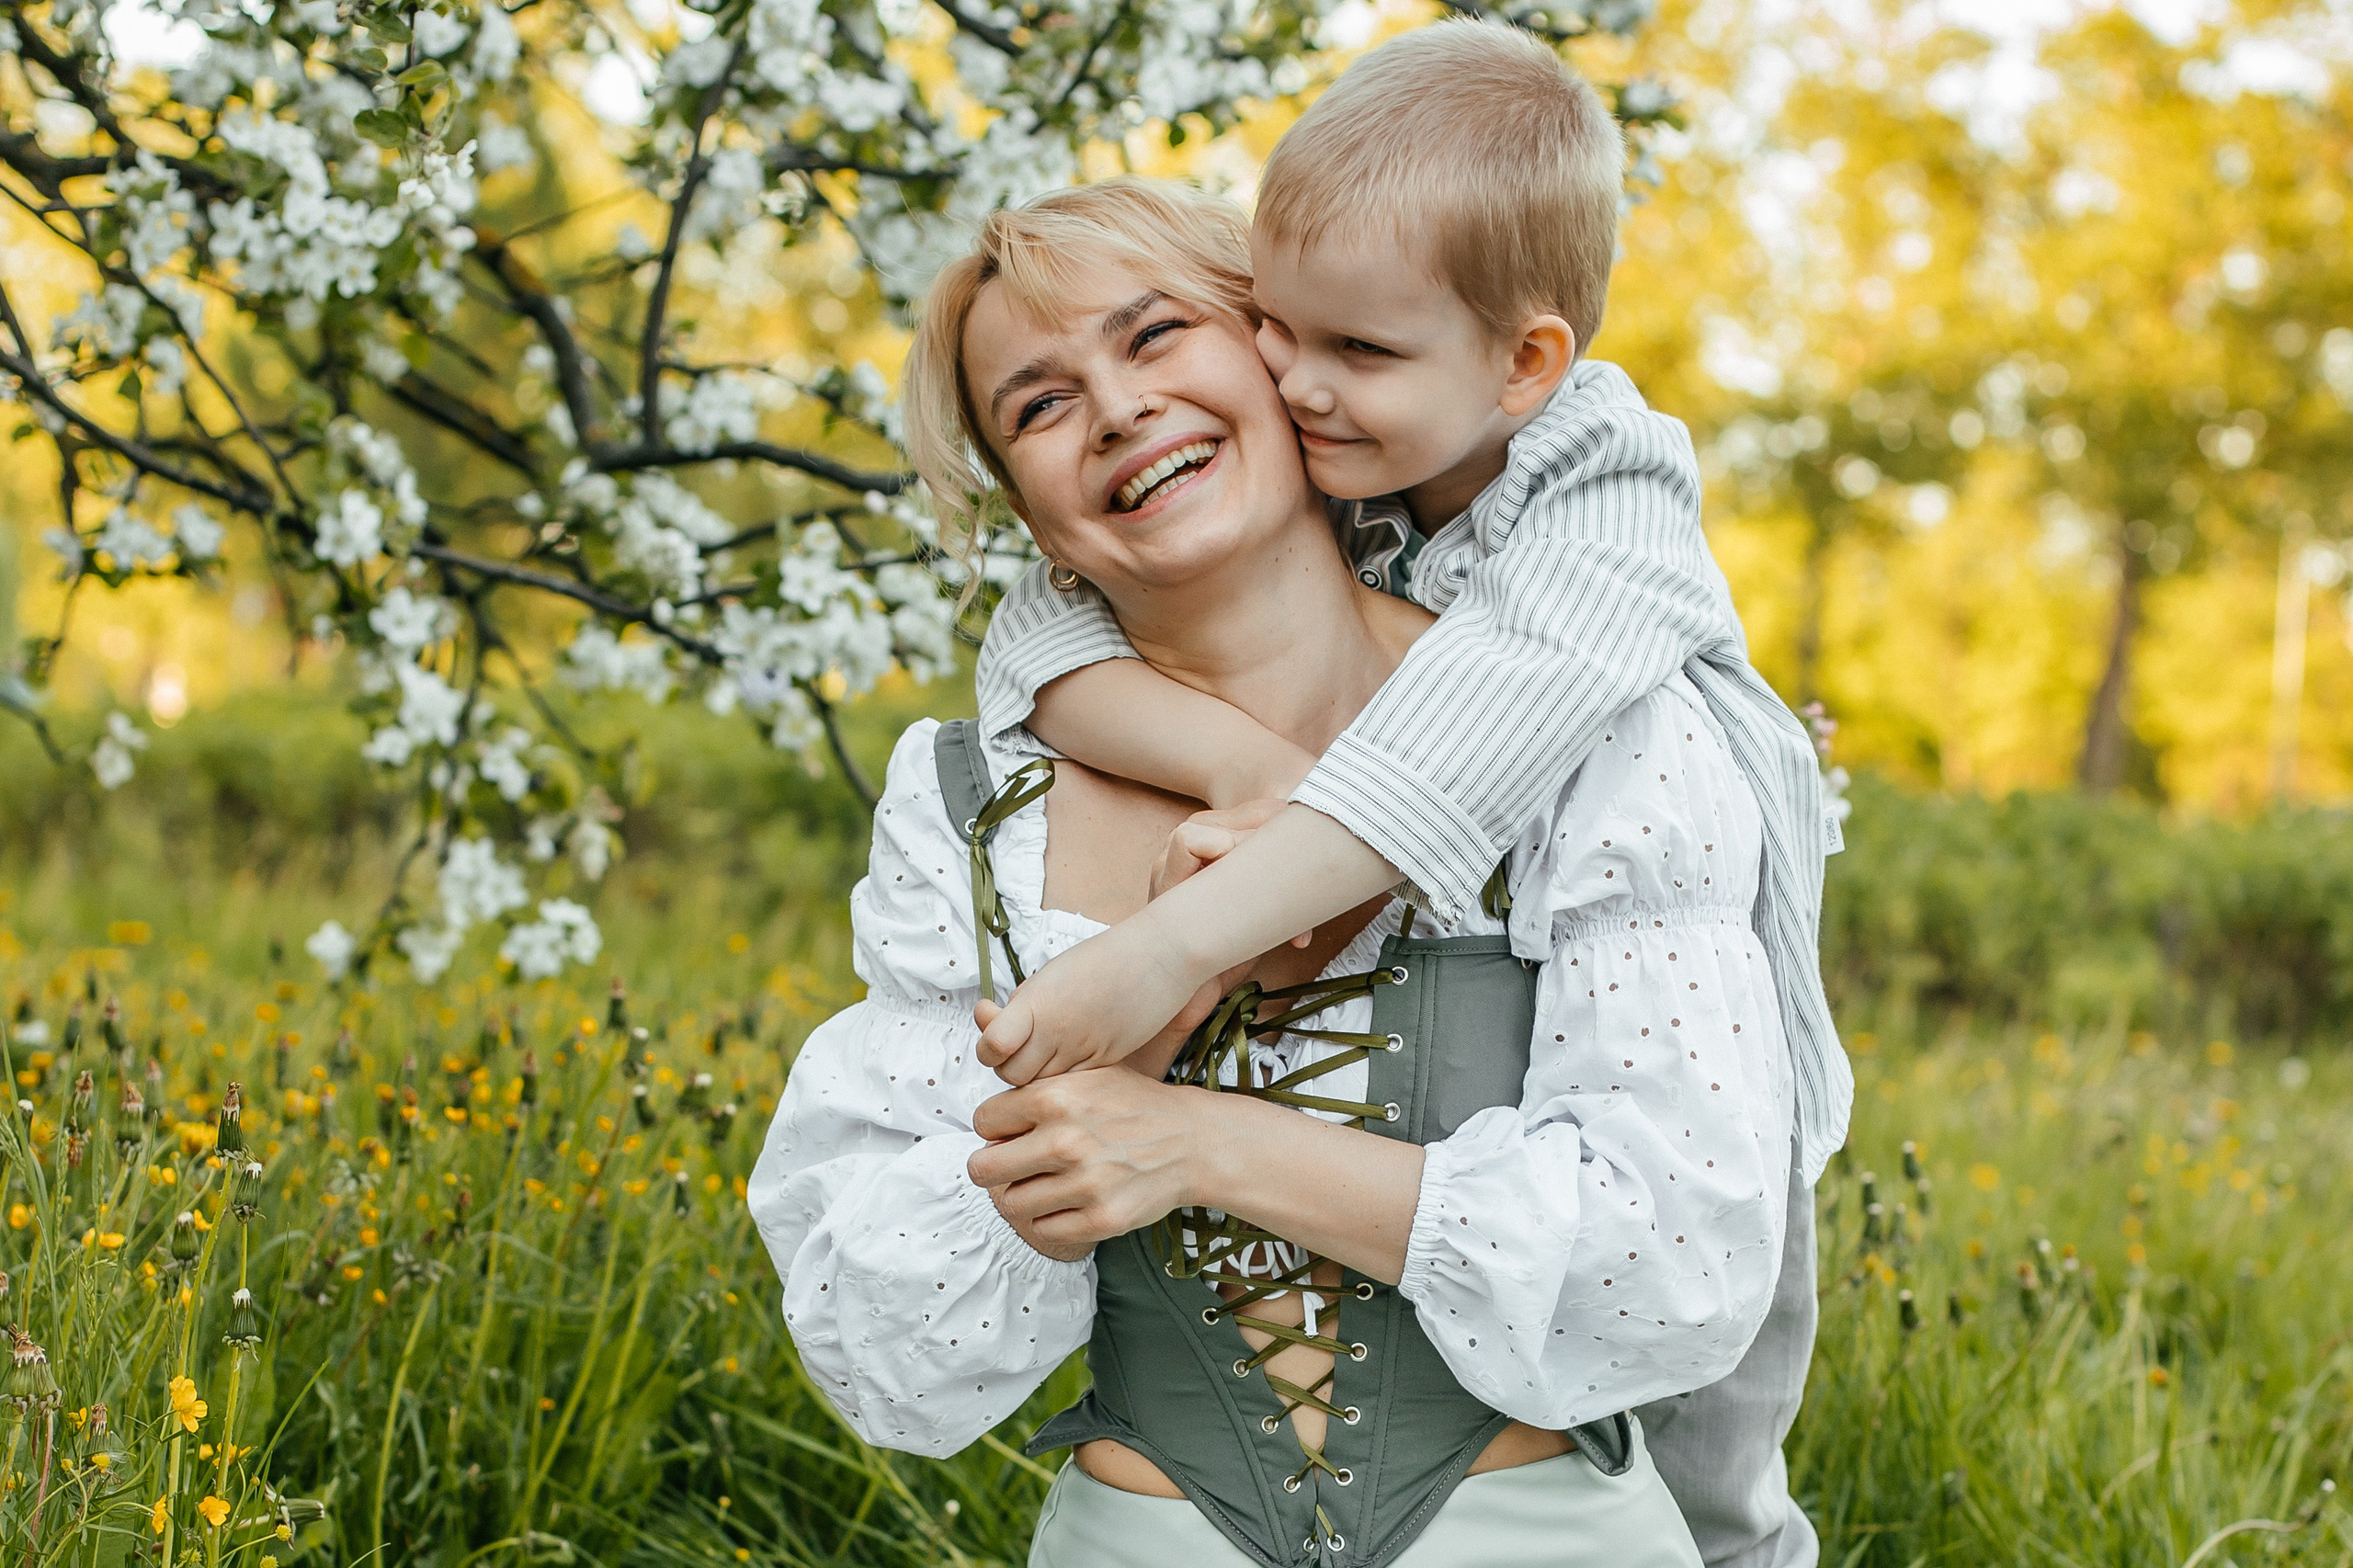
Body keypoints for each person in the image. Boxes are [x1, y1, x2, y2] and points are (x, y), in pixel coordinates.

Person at [751, 178, 1794, 1568]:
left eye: (1155, 333)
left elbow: (1677, 1266)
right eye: (1039, 405)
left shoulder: (1583, 716)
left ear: (1279, 351)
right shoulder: (974, 808)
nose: (1116, 408)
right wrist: (1138, 1030)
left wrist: (1198, 1142)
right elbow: (884, 1353)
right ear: (1030, 514)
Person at [963, 26, 1837, 1563]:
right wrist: (1242, 764)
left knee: (1715, 1446)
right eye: (1277, 328)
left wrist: (1181, 941)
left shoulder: (1605, 501)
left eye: (1354, 352)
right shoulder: (1362, 447)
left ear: (1526, 363)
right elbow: (1036, 635)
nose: (1301, 382)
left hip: (1716, 1023)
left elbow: (1467, 739)